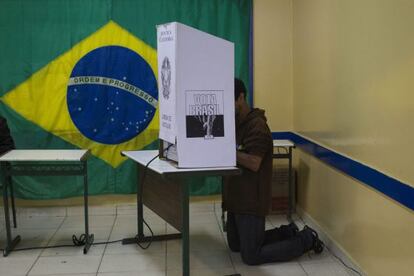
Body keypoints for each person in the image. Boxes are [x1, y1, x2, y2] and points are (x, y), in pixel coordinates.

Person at [222, 79, 324, 265]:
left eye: (229, 101)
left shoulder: (257, 126)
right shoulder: (236, 122)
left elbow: (254, 163)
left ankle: (306, 239)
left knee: (251, 256)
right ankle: (286, 232)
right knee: (235, 246)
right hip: (236, 198)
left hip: (251, 201)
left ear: (241, 98)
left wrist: (226, 151)